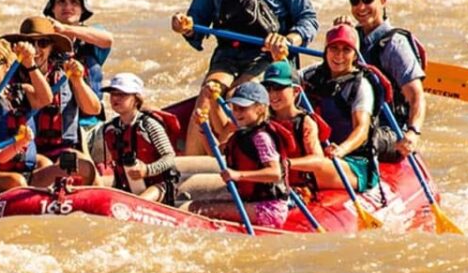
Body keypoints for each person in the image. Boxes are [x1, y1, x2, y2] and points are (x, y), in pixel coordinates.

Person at [171, 0, 319, 154]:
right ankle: (189, 174)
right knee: (208, 92)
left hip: (268, 56)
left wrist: (290, 40)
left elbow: (308, 19)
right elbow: (197, 23)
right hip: (228, 55)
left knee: (239, 94)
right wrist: (185, 26)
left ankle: (233, 153)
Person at [2, 16, 100, 187]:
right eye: (31, 44)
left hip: (64, 150)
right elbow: (43, 99)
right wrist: (29, 63)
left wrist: (77, 81)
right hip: (30, 156)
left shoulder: (66, 72)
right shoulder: (10, 77)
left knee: (84, 165)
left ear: (52, 46)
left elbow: (93, 109)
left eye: (43, 43)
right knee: (50, 163)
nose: (37, 49)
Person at [334, 0, 425, 158]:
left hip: (388, 130)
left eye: (368, 0)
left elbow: (416, 95)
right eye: (355, 1)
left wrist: (413, 132)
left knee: (362, 139)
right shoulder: (354, 37)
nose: (360, 7)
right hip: (358, 118)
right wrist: (341, 35)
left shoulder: (395, 45)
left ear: (382, 2)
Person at [188, 82, 292, 229]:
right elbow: (214, 152)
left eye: (242, 108)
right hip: (251, 200)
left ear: (260, 108)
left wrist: (238, 175)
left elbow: (275, 174)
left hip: (269, 210)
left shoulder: (261, 137)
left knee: (196, 208)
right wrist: (203, 129)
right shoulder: (242, 132)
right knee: (199, 201)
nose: (236, 113)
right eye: (234, 108)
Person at [300, 25, 383, 193]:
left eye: (346, 50)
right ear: (326, 50)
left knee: (314, 168)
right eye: (334, 48)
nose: (339, 55)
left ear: (354, 55)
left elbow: (362, 128)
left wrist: (341, 149)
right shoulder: (311, 74)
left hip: (353, 161)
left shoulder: (361, 86)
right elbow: (285, 89)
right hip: (317, 153)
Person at [0, 38, 53, 190]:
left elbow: (46, 99)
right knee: (16, 181)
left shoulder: (21, 91)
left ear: (6, 67)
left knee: (47, 165)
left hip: (24, 170)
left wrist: (30, 64)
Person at [100, 73, 180, 205]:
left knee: (139, 203)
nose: (115, 98)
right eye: (113, 94)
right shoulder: (110, 129)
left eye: (122, 94)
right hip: (128, 187)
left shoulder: (149, 125)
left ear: (136, 99)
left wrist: (148, 170)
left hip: (160, 186)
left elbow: (170, 157)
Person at [261, 60, 328, 194]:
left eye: (279, 88)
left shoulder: (305, 122)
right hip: (265, 184)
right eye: (268, 88)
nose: (272, 94)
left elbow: (319, 160)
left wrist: (287, 163)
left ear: (296, 91)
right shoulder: (262, 118)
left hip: (297, 189)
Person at [42, 0, 113, 101]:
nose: (67, 6)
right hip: (54, 116)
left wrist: (64, 29)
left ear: (83, 9)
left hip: (88, 118)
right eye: (61, 1)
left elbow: (108, 40)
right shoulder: (42, 39)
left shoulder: (93, 35)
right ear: (53, 8)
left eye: (74, 2)